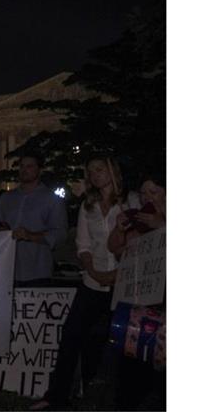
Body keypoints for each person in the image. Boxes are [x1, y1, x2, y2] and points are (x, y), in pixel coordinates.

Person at [30, 156, 140, 410]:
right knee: (71, 335)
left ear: (112, 171)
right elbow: (83, 244)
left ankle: (121, 399)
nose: (95, 175)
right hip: (92, 281)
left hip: (123, 282)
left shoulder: (130, 202)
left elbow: (137, 244)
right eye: (91, 172)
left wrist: (115, 274)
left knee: (121, 341)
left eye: (100, 170)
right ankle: (57, 395)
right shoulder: (87, 206)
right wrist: (93, 270)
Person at [108, 172, 166, 411]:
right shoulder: (138, 220)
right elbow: (117, 249)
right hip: (142, 300)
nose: (147, 198)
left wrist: (162, 226)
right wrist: (120, 230)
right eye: (143, 193)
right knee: (133, 355)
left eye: (154, 192)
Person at [0, 153, 68, 286]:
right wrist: (2, 231)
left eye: (29, 166)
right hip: (8, 270)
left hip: (38, 271)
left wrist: (30, 236)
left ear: (40, 169)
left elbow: (60, 234)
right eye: (21, 166)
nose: (24, 170)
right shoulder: (6, 198)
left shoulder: (51, 199)